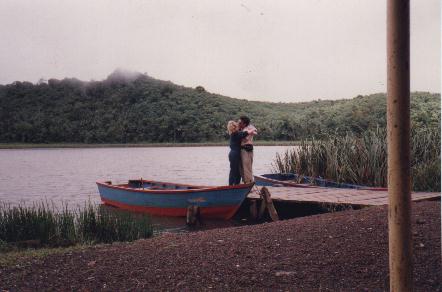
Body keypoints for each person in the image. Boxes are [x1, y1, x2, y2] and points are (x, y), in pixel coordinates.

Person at [227, 121, 253, 185]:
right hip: (234, 154)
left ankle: (236, 185)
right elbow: (245, 133)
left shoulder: (233, 133)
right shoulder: (235, 134)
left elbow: (242, 133)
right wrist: (252, 129)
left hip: (233, 153)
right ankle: (231, 185)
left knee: (237, 171)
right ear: (235, 127)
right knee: (234, 170)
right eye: (237, 125)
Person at [238, 116, 257, 184]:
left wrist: (250, 132)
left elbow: (255, 132)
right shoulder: (240, 129)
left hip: (249, 148)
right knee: (244, 166)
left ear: (244, 123)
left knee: (248, 166)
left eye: (240, 122)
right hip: (243, 149)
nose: (239, 123)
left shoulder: (248, 128)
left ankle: (249, 182)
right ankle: (247, 182)